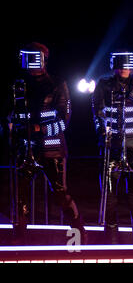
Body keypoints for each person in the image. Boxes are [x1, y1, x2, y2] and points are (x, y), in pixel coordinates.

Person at [7, 42, 86, 244]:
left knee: (60, 193)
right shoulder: (18, 84)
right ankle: (20, 237)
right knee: (20, 195)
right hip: (25, 149)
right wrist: (9, 127)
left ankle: (79, 232)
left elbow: (63, 120)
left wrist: (38, 129)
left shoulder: (57, 84)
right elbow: (10, 114)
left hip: (53, 150)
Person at [92, 51, 133, 244]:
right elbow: (97, 111)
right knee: (109, 197)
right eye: (121, 66)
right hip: (111, 149)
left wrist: (130, 91)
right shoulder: (103, 85)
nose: (124, 70)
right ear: (115, 67)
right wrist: (102, 129)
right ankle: (111, 241)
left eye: (127, 66)